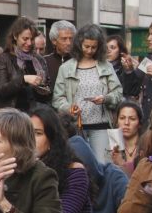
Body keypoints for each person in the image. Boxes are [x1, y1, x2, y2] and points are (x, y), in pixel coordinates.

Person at [52, 24, 122, 163]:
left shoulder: (106, 66)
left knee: (104, 164)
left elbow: (118, 93)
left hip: (102, 126)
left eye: (94, 47)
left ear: (99, 46)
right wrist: (69, 108)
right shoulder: (66, 68)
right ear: (79, 44)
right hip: (75, 126)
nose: (90, 50)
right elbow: (57, 98)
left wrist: (105, 99)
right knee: (79, 165)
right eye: (86, 46)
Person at [29, 105, 92, 213]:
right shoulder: (17, 168)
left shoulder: (74, 171)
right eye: (27, 133)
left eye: (38, 133)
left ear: (52, 139)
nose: (30, 139)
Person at [0, 16, 51, 111]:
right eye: (25, 39)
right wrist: (23, 79)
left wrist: (42, 86)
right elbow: (1, 90)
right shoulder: (4, 59)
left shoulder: (39, 59)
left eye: (32, 39)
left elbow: (48, 88)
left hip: (37, 111)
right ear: (15, 36)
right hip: (13, 112)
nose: (29, 43)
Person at [106, 34, 143, 100]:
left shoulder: (126, 69)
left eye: (112, 48)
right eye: (106, 48)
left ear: (120, 51)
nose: (108, 51)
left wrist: (129, 71)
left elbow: (133, 92)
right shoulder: (98, 66)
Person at [43, 20, 76, 84]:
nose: (69, 43)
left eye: (71, 38)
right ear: (54, 41)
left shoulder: (79, 61)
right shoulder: (44, 62)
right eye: (64, 39)